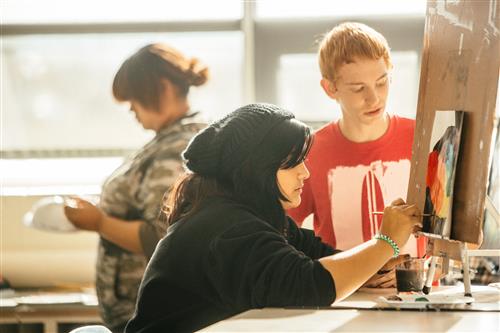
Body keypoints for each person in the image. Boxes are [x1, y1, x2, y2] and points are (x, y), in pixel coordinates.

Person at [124, 103, 421, 332]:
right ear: (257, 169)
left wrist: (375, 269)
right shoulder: (226, 228)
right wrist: (385, 243)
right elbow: (309, 285)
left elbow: (318, 255)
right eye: (292, 164)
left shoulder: (256, 216)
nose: (305, 172)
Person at [63, 43, 208, 331]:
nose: (131, 109)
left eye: (134, 100)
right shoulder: (164, 141)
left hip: (152, 313)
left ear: (163, 88)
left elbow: (162, 236)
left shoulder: (178, 148)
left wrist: (99, 221)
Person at [288, 23, 426, 278]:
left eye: (382, 82)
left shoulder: (423, 139)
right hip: (343, 301)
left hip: (421, 299)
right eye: (358, 88)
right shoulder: (309, 154)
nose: (374, 98)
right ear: (331, 88)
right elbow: (280, 236)